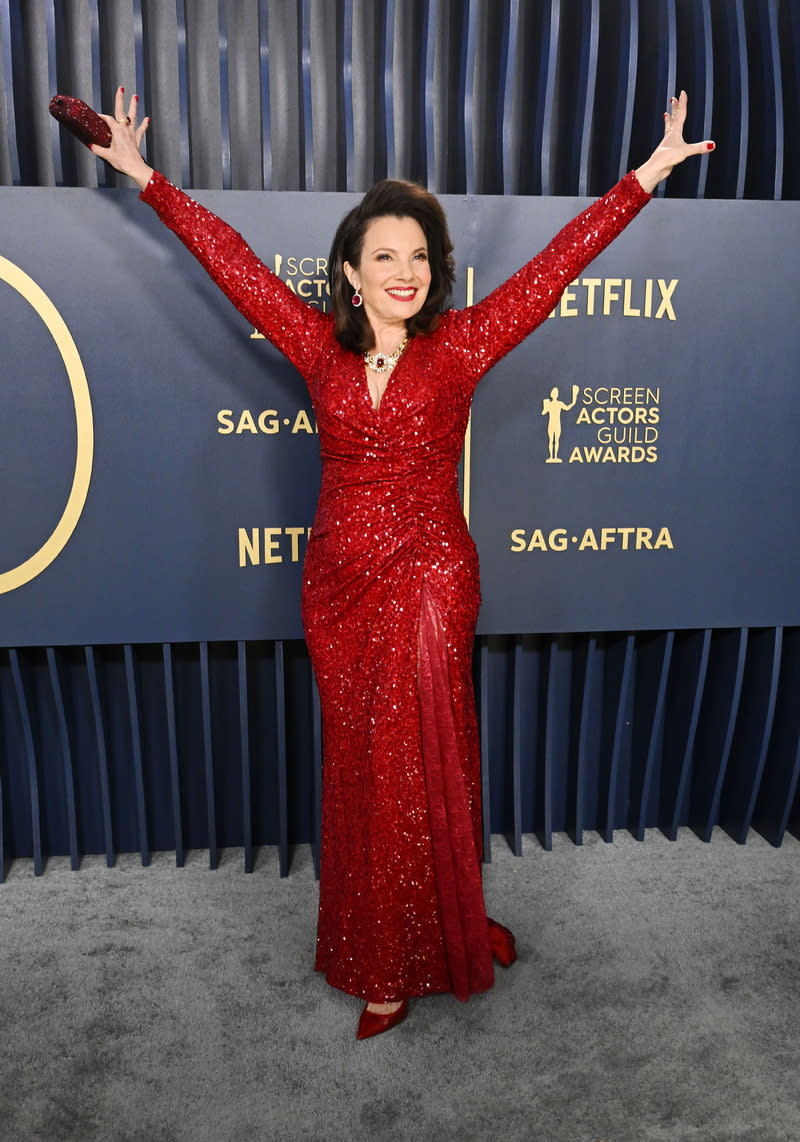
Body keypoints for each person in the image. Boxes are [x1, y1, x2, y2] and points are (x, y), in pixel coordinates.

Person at [91, 87, 713, 1040]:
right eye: (385, 254)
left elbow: (553, 271)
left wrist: (647, 177)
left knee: (421, 766)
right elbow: (236, 269)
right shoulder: (317, 350)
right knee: (362, 770)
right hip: (339, 587)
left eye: (420, 256)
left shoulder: (459, 348)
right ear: (348, 272)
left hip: (429, 576)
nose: (406, 271)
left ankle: (408, 956)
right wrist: (147, 180)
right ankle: (400, 931)